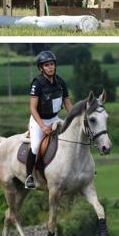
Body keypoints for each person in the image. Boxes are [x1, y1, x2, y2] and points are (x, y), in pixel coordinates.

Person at [25, 50, 73, 189]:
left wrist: (75, 117)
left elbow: (67, 102)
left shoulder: (60, 81)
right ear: (41, 68)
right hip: (39, 120)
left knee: (73, 136)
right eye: (46, 65)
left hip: (55, 118)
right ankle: (29, 176)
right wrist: (42, 126)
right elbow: (33, 108)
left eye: (52, 64)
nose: (50, 67)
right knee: (35, 146)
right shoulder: (37, 83)